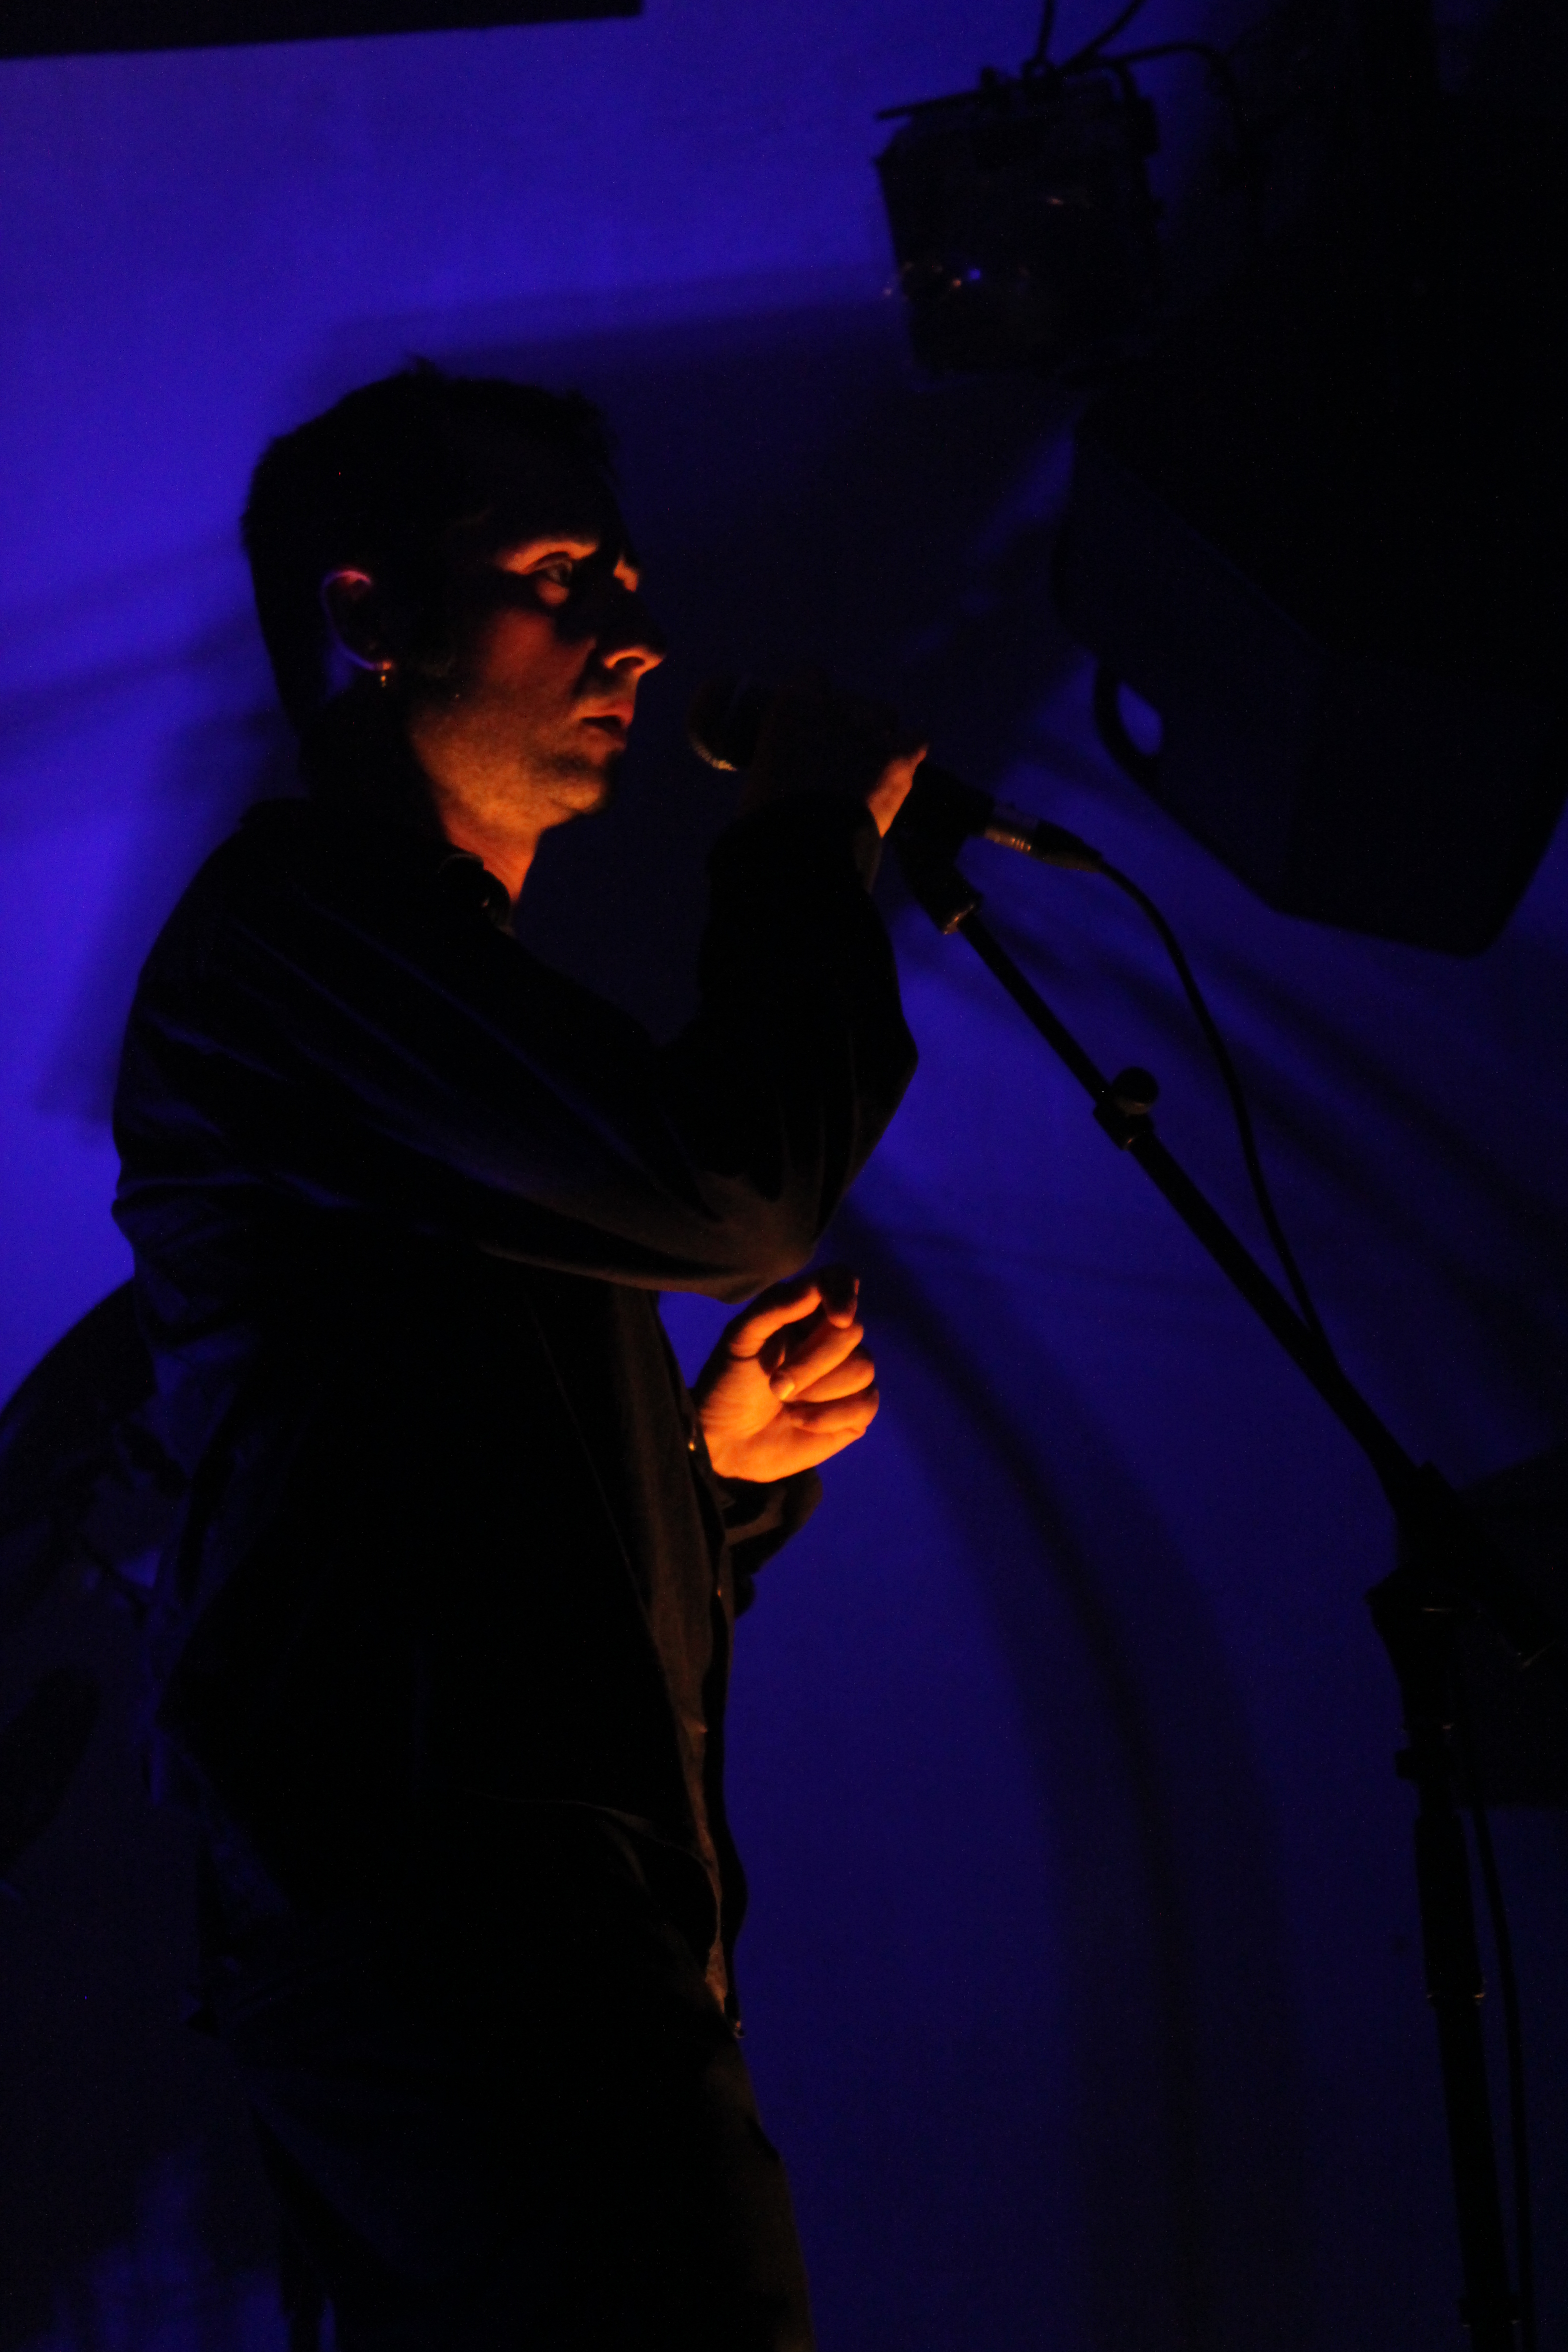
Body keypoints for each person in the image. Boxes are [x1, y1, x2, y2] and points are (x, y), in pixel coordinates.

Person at [109, 362, 921, 2350]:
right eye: (562, 575)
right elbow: (737, 1185)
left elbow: (457, 1530)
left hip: (530, 1932)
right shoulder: (299, 938)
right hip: (455, 1931)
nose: (633, 628)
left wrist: (706, 1477)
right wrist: (807, 841)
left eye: (624, 576)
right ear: (371, 613)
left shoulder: (453, 1045)